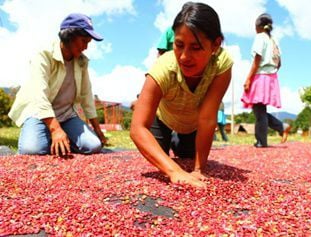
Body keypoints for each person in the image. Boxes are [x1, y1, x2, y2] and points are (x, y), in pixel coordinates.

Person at [130, 2, 233, 188]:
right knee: (159, 156)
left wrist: (198, 170)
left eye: (195, 47)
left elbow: (208, 118)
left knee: (187, 154)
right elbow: (137, 128)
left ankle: (178, 140)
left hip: (193, 123)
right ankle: (169, 139)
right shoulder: (164, 67)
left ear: (215, 45)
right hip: (162, 118)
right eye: (179, 45)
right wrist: (174, 171)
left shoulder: (221, 65)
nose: (184, 57)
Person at [8, 13, 107, 156]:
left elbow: (87, 96)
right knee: (33, 150)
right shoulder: (43, 55)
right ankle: (49, 136)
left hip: (66, 115)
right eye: (84, 41)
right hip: (38, 114)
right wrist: (55, 129)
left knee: (93, 146)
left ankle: (61, 138)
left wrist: (97, 131)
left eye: (88, 43)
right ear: (69, 36)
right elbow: (38, 95)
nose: (86, 47)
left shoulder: (81, 62)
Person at [241, 13, 290, 148]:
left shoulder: (260, 37)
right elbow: (279, 63)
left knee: (258, 111)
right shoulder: (273, 40)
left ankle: (262, 141)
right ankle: (281, 127)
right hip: (271, 77)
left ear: (258, 26)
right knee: (260, 110)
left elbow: (257, 60)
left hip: (260, 76)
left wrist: (248, 79)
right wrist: (270, 73)